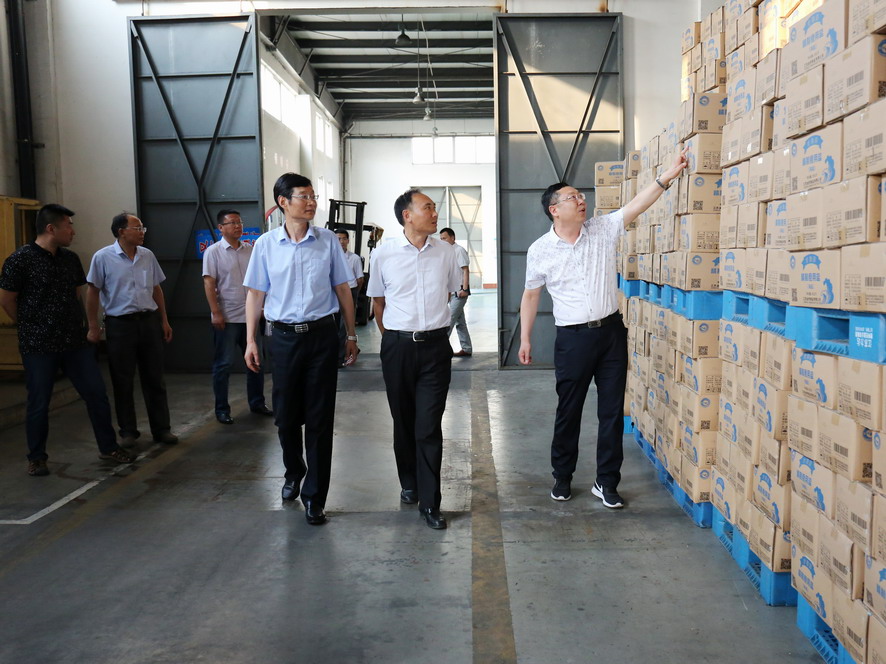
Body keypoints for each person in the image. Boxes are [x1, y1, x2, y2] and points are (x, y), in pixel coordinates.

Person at [518, 148, 689, 508]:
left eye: (581, 196)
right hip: (572, 339)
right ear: (554, 209)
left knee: (611, 411)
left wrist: (666, 176)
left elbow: (637, 204)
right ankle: (562, 477)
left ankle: (606, 482)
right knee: (569, 411)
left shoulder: (602, 229)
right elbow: (531, 295)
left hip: (611, 334)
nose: (582, 200)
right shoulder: (539, 250)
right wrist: (526, 339)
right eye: (573, 197)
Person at [243, 173, 358, 526]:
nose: (312, 203)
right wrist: (251, 340)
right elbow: (256, 294)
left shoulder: (327, 241)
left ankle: (315, 497)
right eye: (304, 196)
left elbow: (342, 289)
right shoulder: (266, 245)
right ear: (283, 202)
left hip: (322, 337)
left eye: (314, 196)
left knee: (320, 418)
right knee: (286, 416)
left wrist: (351, 334)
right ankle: (294, 470)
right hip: (283, 339)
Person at [0, 205, 136, 475]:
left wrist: (86, 327)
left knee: (96, 394)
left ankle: (108, 447)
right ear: (51, 228)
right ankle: (37, 457)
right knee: (39, 402)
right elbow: (7, 299)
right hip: (39, 345)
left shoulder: (70, 259)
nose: (73, 231)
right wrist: (30, 325)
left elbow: (77, 294)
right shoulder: (20, 260)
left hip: (74, 343)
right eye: (69, 226)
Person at [367, 189, 462, 530]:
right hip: (398, 347)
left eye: (435, 208)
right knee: (403, 420)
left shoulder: (446, 252)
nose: (435, 213)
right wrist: (393, 337)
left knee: (429, 425)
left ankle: (430, 501)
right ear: (407, 215)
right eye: (428, 208)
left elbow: (449, 292)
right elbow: (378, 302)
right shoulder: (383, 253)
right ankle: (408, 481)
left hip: (436, 348)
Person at [86, 212, 178, 446]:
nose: (142, 232)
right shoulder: (102, 257)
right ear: (121, 232)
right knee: (122, 380)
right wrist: (93, 325)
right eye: (137, 228)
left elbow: (156, 289)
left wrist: (164, 320)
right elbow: (93, 292)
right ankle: (128, 431)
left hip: (148, 322)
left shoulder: (147, 255)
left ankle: (162, 429)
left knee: (155, 378)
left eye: (142, 228)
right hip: (120, 325)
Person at [202, 209, 272, 424]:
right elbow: (209, 283)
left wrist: (263, 307)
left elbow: (261, 281)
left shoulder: (250, 250)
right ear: (220, 228)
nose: (237, 226)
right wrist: (216, 312)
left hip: (251, 317)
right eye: (232, 223)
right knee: (223, 365)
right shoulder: (213, 252)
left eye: (239, 222)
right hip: (228, 317)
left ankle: (257, 403)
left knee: (256, 362)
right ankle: (222, 409)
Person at [438, 227, 473, 357]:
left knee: (449, 320)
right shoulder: (446, 252)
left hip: (459, 293)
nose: (442, 241)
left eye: (445, 238)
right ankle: (467, 348)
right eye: (441, 239)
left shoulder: (459, 251)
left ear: (452, 238)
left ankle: (439, 349)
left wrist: (465, 289)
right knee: (460, 322)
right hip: (451, 292)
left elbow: (465, 270)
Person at [334, 228, 364, 367]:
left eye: (344, 239)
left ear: (348, 240)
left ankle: (341, 357)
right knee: (336, 325)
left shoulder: (354, 258)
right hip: (335, 293)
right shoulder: (331, 257)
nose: (341, 241)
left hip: (350, 292)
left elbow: (360, 279)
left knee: (344, 326)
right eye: (338, 239)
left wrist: (354, 295)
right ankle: (349, 350)